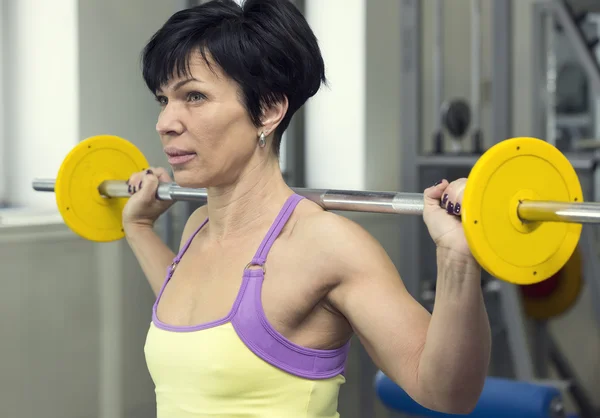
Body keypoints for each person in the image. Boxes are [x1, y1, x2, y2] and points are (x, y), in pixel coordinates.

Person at [123, 0, 491, 417]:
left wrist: (456, 258)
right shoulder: (198, 228)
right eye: (163, 100)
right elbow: (196, 329)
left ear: (268, 110)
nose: (165, 122)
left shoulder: (326, 245)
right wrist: (138, 227)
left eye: (194, 96)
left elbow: (448, 394)